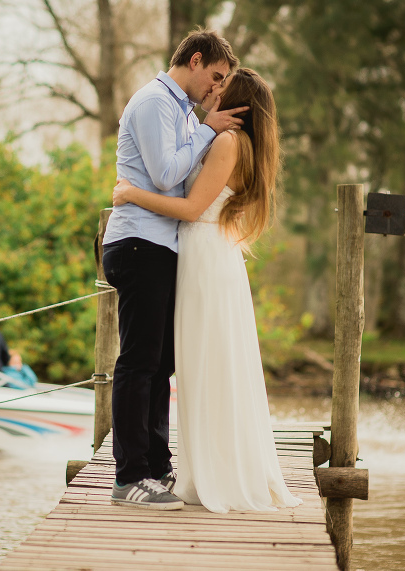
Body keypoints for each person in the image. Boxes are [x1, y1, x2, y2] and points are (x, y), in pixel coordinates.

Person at [113, 68, 303, 513]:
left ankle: (209, 470)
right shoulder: (241, 145)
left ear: (236, 101)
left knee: (202, 364)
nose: (213, 91)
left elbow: (191, 207)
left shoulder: (225, 142)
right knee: (205, 364)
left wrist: (130, 193)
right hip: (211, 254)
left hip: (203, 253)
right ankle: (195, 465)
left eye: (222, 86)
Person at [101, 28, 248, 510]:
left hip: (162, 244)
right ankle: (130, 477)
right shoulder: (154, 103)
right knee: (139, 361)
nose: (217, 88)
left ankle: (157, 465)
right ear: (196, 59)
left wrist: (203, 126)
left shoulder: (182, 112)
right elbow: (167, 176)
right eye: (216, 76)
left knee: (161, 363)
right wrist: (209, 129)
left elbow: (185, 185)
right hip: (139, 241)